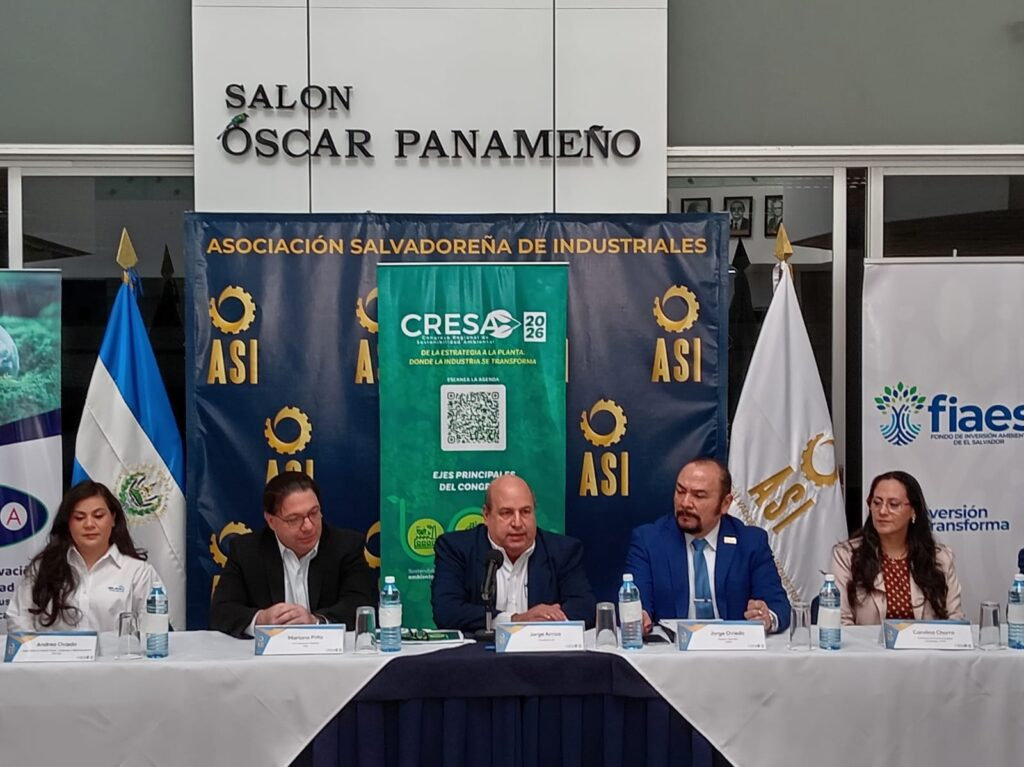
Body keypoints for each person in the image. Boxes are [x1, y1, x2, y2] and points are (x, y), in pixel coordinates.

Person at [624, 457, 790, 634]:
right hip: (673, 649)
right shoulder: (649, 541)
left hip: (733, 647)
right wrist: (639, 616)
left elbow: (778, 606)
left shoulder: (750, 542)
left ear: (725, 504)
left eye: (699, 496)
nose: (685, 503)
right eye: (680, 492)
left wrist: (767, 618)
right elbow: (637, 600)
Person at [209, 471, 377, 637]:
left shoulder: (346, 546)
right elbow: (221, 611)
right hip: (268, 653)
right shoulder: (246, 551)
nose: (308, 526)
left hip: (329, 652)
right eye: (294, 519)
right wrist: (260, 619)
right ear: (271, 521)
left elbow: (360, 604)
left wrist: (315, 621)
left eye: (313, 513)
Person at [431, 474, 596, 631]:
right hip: (480, 650)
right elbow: (446, 611)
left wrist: (546, 619)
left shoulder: (562, 551)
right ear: (486, 515)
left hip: (541, 649)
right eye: (506, 513)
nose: (517, 523)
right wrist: (516, 620)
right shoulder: (457, 548)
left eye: (525, 512)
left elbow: (585, 608)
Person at [5, 480, 160, 633]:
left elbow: (153, 630)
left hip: (117, 651)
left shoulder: (139, 573)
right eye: (79, 517)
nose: (89, 524)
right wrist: (34, 648)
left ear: (113, 519)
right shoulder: (43, 567)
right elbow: (19, 619)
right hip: (50, 651)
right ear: (68, 523)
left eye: (98, 516)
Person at [831, 470, 964, 625]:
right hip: (866, 641)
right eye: (876, 503)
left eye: (893, 504)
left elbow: (955, 620)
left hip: (927, 641)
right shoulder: (847, 555)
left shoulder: (940, 557)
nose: (882, 511)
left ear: (913, 511)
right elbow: (840, 621)